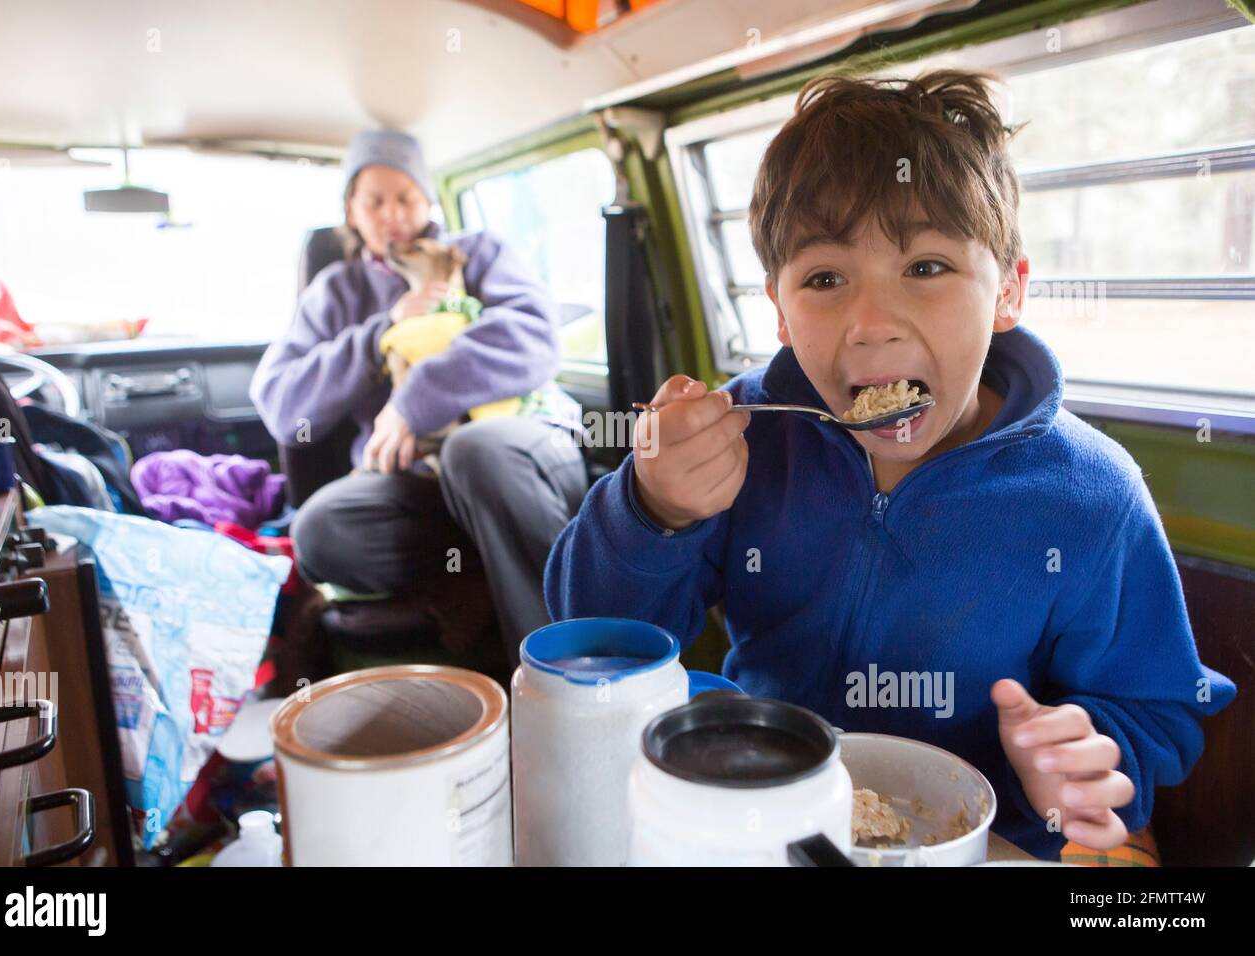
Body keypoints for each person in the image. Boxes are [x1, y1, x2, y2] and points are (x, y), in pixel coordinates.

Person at [543, 70, 1236, 859]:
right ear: (777, 305)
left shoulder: (1092, 498)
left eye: (927, 268)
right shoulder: (747, 435)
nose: (872, 325)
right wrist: (650, 507)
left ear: (1008, 290)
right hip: (759, 816)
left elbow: (1159, 711)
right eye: (826, 279)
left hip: (973, 842)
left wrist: (1083, 756)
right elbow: (587, 640)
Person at [251, 129, 587, 666]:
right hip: (419, 491)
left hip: (522, 447)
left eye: (405, 197)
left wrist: (417, 400)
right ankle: (486, 571)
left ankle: (563, 670)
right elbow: (282, 406)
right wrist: (382, 333)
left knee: (474, 450)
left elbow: (535, 338)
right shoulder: (336, 292)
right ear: (350, 211)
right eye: (374, 201)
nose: (392, 214)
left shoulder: (476, 254)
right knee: (319, 531)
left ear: (427, 200)